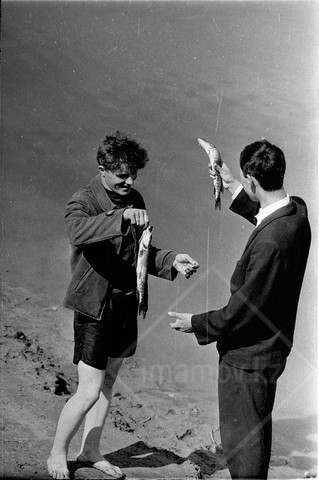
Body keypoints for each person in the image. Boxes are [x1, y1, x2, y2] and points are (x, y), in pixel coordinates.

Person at [47, 131, 199, 480]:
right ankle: (57, 452)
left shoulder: (134, 198)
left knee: (108, 380)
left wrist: (172, 261)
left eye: (134, 175)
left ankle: (90, 451)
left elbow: (141, 253)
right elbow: (77, 231)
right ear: (103, 169)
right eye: (122, 176)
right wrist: (122, 218)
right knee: (87, 390)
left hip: (125, 305)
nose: (130, 182)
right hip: (93, 307)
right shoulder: (83, 200)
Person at [168, 140, 311, 479]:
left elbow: (240, 312)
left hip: (248, 358)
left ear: (253, 179)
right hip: (271, 349)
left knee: (243, 448)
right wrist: (231, 183)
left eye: (246, 182)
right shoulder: (298, 214)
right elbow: (266, 215)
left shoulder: (269, 244)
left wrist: (197, 323)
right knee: (254, 433)